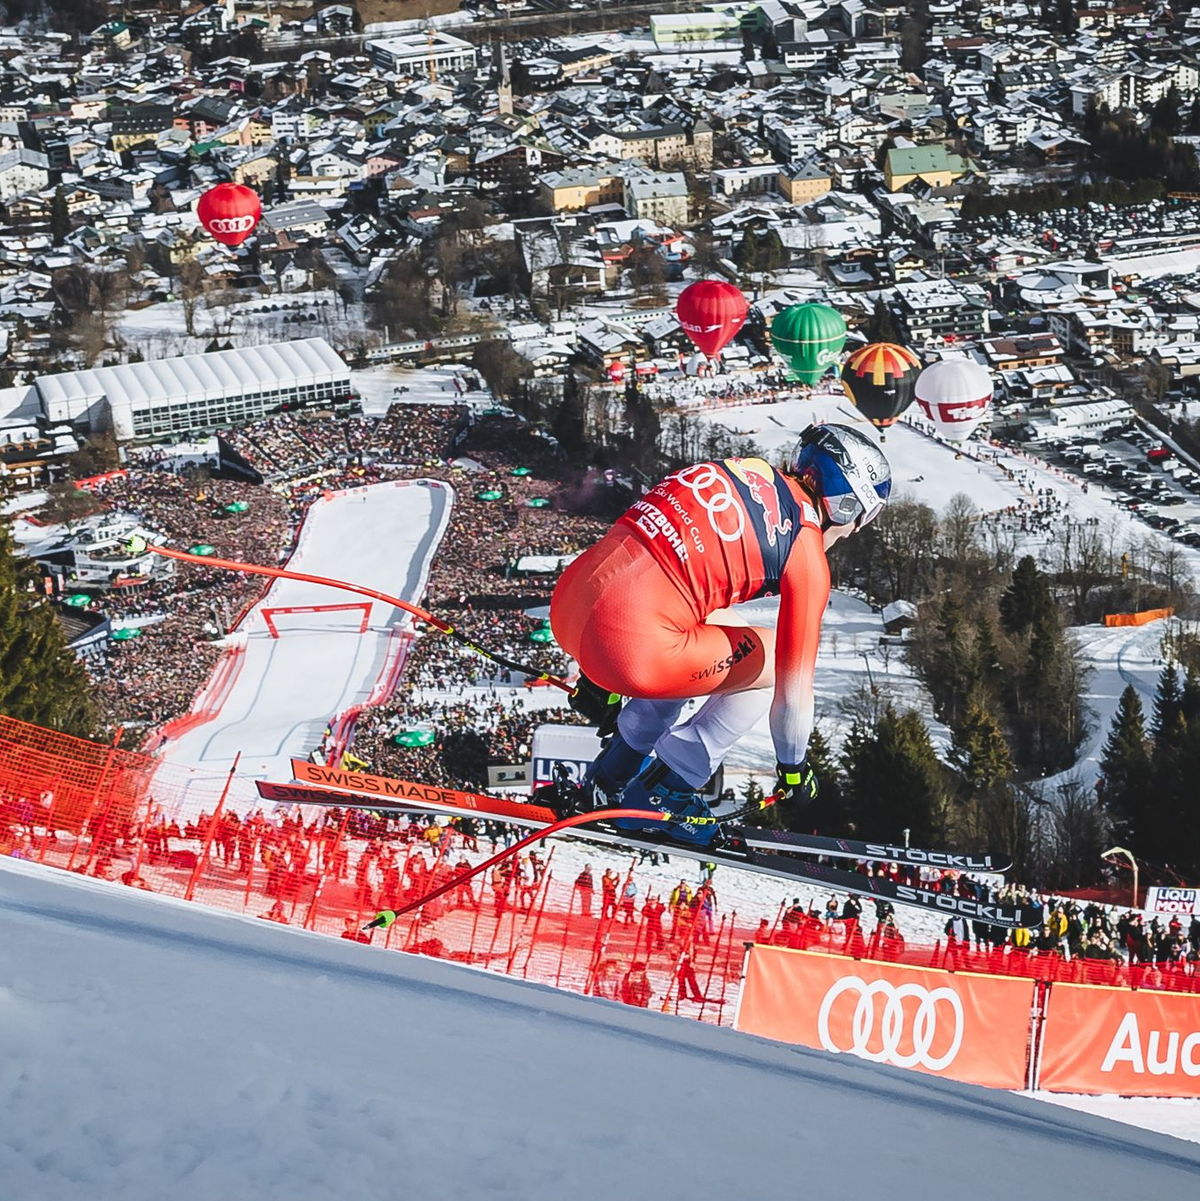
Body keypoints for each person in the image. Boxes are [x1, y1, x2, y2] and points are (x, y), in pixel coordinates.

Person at [551, 425, 891, 844]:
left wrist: (593, 675)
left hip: (571, 607)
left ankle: (614, 769)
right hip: (628, 648)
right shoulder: (805, 550)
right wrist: (793, 768)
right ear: (844, 506)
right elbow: (794, 690)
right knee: (768, 659)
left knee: (711, 627)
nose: (854, 532)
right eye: (862, 520)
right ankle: (668, 790)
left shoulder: (740, 470)